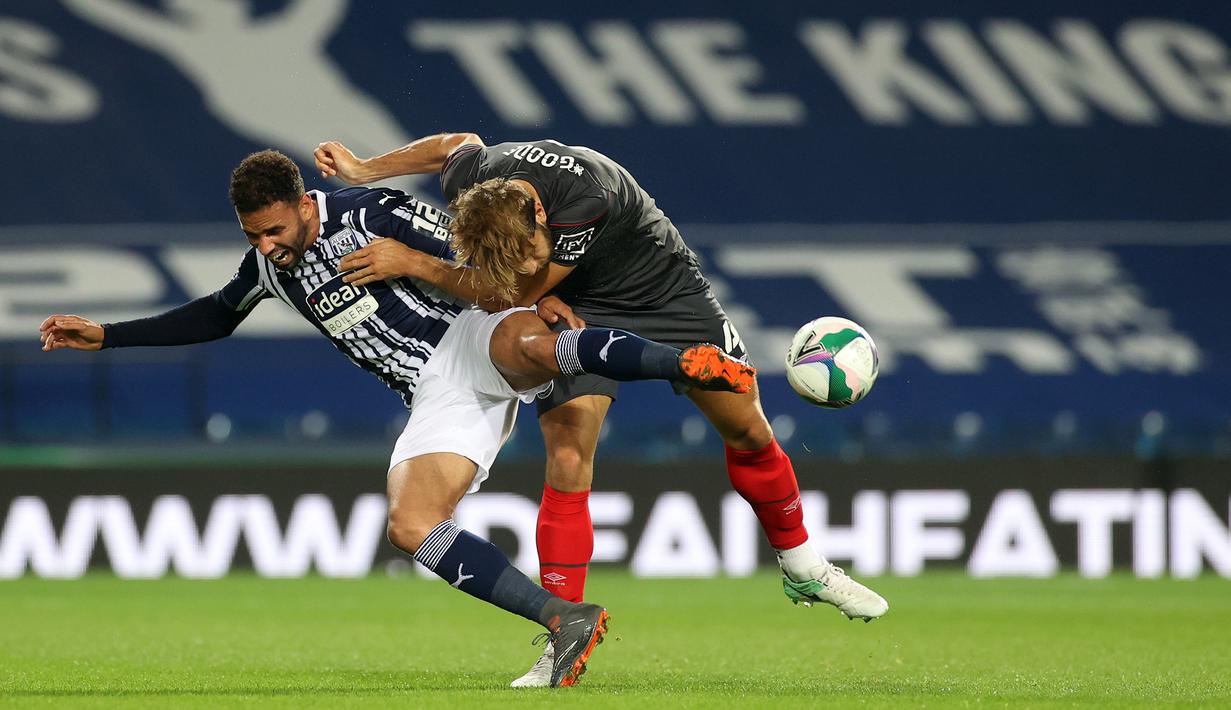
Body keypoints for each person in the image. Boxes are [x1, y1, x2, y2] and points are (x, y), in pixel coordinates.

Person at [38, 149, 756, 689]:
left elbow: (485, 264)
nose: (266, 245)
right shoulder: (270, 268)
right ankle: (563, 619)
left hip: (470, 336)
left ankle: (683, 364)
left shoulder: (370, 213)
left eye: (274, 229)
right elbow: (213, 317)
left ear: (303, 202)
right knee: (409, 525)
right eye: (253, 234)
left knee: (529, 341)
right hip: (432, 393)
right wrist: (108, 335)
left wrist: (449, 272)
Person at [313, 135, 891, 687]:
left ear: (540, 215)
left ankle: (804, 566)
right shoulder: (483, 179)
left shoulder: (587, 197)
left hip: (660, 286)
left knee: (747, 430)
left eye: (530, 252)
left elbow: (506, 294)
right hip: (575, 303)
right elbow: (453, 145)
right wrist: (367, 169)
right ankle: (561, 634)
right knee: (567, 454)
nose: (524, 262)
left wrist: (419, 263)